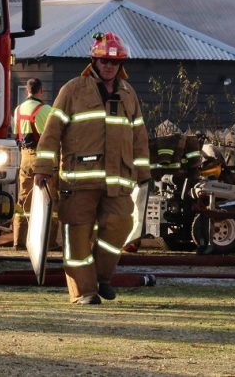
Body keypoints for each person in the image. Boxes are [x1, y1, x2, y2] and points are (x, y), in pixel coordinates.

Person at [33, 32, 150, 305]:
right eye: (103, 61)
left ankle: (102, 276)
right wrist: (43, 167)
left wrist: (144, 175)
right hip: (78, 182)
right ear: (93, 61)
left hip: (118, 181)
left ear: (121, 64)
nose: (108, 66)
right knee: (77, 237)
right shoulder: (72, 90)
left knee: (119, 226)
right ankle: (84, 291)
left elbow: (139, 136)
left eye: (113, 62)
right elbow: (51, 132)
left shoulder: (128, 94)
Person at [12, 77, 53, 249]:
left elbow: (16, 135)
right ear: (41, 90)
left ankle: (19, 241)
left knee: (23, 200)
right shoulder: (45, 110)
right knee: (51, 199)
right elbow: (50, 137)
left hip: (24, 158)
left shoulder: (18, 109)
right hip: (41, 158)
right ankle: (50, 243)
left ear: (27, 91)